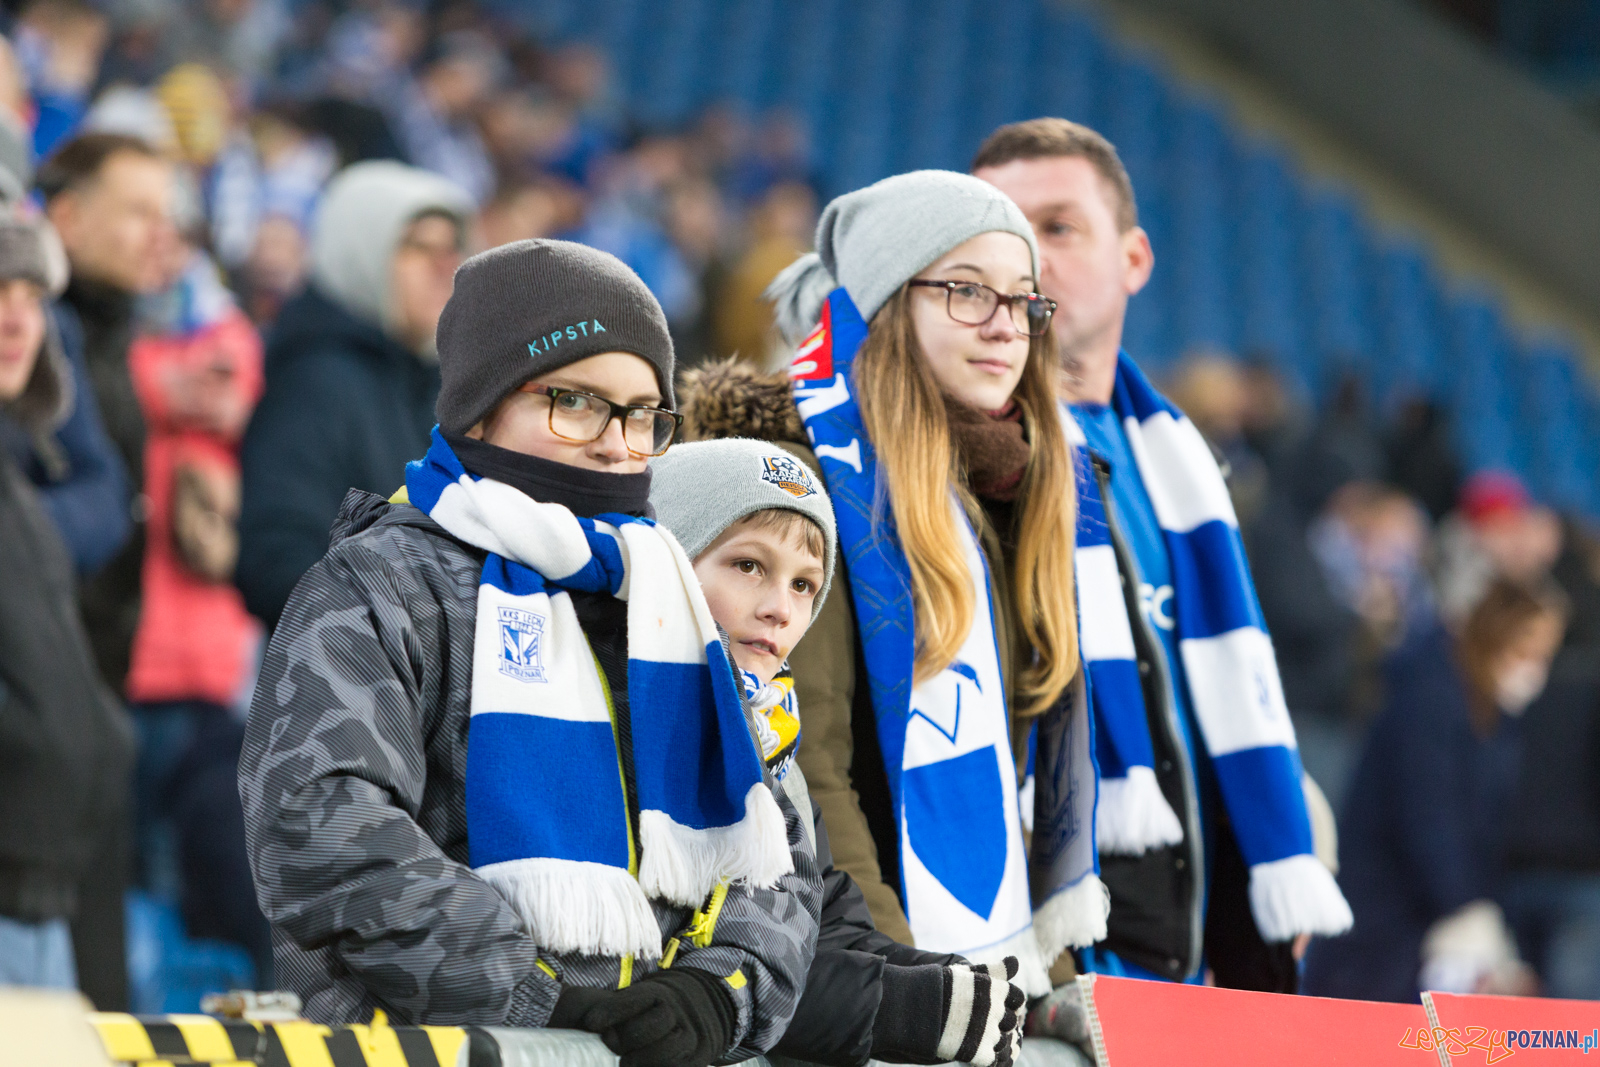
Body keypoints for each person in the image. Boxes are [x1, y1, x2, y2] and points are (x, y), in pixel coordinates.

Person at [239, 239, 819, 1067]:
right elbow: (321, 823)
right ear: (481, 408)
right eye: (577, 402)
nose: (620, 445)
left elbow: (777, 841)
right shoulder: (381, 584)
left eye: (644, 413)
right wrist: (540, 996)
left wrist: (715, 992)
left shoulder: (668, 598)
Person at [681, 170, 1104, 998]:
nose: (1006, 327)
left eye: (1023, 300)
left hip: (977, 995)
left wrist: (1045, 988)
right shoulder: (803, 490)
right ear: (887, 304)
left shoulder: (988, 503)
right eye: (967, 292)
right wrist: (913, 993)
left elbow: (1004, 798)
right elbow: (814, 768)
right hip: (880, 988)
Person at [974, 119, 1351, 993]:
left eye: (1059, 226)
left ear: (1134, 260)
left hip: (1204, 974)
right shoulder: (951, 468)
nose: (1027, 255)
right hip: (1059, 975)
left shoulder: (1183, 467)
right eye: (1000, 231)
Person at [651, 438, 1025, 1067]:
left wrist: (948, 982)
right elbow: (671, 962)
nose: (779, 609)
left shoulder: (774, 750)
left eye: (804, 585)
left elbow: (822, 925)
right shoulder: (618, 726)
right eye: (748, 566)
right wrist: (893, 1006)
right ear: (668, 560)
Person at [37, 128, 175, 1011]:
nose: (156, 235)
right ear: (64, 217)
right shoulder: (37, 346)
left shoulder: (120, 347)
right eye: (135, 213)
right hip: (44, 713)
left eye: (165, 217)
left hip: (98, 709)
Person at [235, 160, 473, 629]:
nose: (443, 268)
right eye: (418, 247)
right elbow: (275, 558)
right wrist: (399, 628)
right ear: (360, 251)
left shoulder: (436, 380)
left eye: (452, 250)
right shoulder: (317, 380)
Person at [1304, 578, 1566, 1002]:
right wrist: (1465, 907)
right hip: (1382, 925)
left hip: (1418, 922)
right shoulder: (1430, 701)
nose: (1533, 669)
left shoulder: (1490, 718)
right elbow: (1429, 819)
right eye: (1524, 651)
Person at [124, 234, 269, 981]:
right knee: (136, 859)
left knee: (177, 862)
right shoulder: (113, 345)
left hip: (205, 667)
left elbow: (231, 375)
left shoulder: (217, 333)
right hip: (130, 659)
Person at [0, 213, 134, 993]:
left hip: (44, 888)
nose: (20, 317)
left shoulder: (25, 490)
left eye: (30, 291)